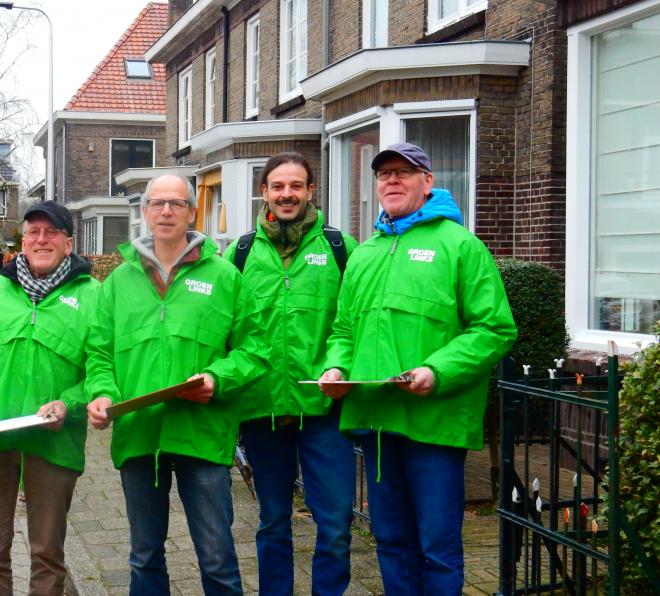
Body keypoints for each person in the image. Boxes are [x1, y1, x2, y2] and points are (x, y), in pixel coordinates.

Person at [319, 142, 516, 595]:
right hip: (376, 424)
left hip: (434, 426)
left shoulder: (460, 246)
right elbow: (344, 331)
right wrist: (334, 369)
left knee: (438, 548)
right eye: (384, 173)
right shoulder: (365, 254)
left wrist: (436, 370)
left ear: (427, 182)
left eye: (403, 172)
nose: (392, 180)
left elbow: (494, 328)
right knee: (390, 541)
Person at [85, 174, 269, 596]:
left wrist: (218, 379)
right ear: (145, 212)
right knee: (144, 556)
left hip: (201, 434)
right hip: (139, 435)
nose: (166, 211)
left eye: (177, 203)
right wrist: (102, 394)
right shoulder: (117, 282)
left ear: (192, 211)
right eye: (157, 203)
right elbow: (99, 353)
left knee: (217, 557)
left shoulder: (224, 278)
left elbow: (255, 349)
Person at [227, 152, 357, 595]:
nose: (287, 194)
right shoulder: (240, 253)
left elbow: (354, 323)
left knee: (336, 525)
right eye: (277, 186)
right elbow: (223, 328)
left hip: (325, 411)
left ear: (310, 191)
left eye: (296, 186)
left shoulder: (341, 248)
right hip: (263, 411)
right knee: (272, 522)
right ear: (264, 191)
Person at [0, 201, 99, 595]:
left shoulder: (93, 296)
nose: (41, 239)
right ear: (22, 241)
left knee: (48, 554)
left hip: (54, 441)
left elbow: (104, 371)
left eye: (51, 232)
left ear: (69, 244)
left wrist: (68, 404)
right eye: (33, 231)